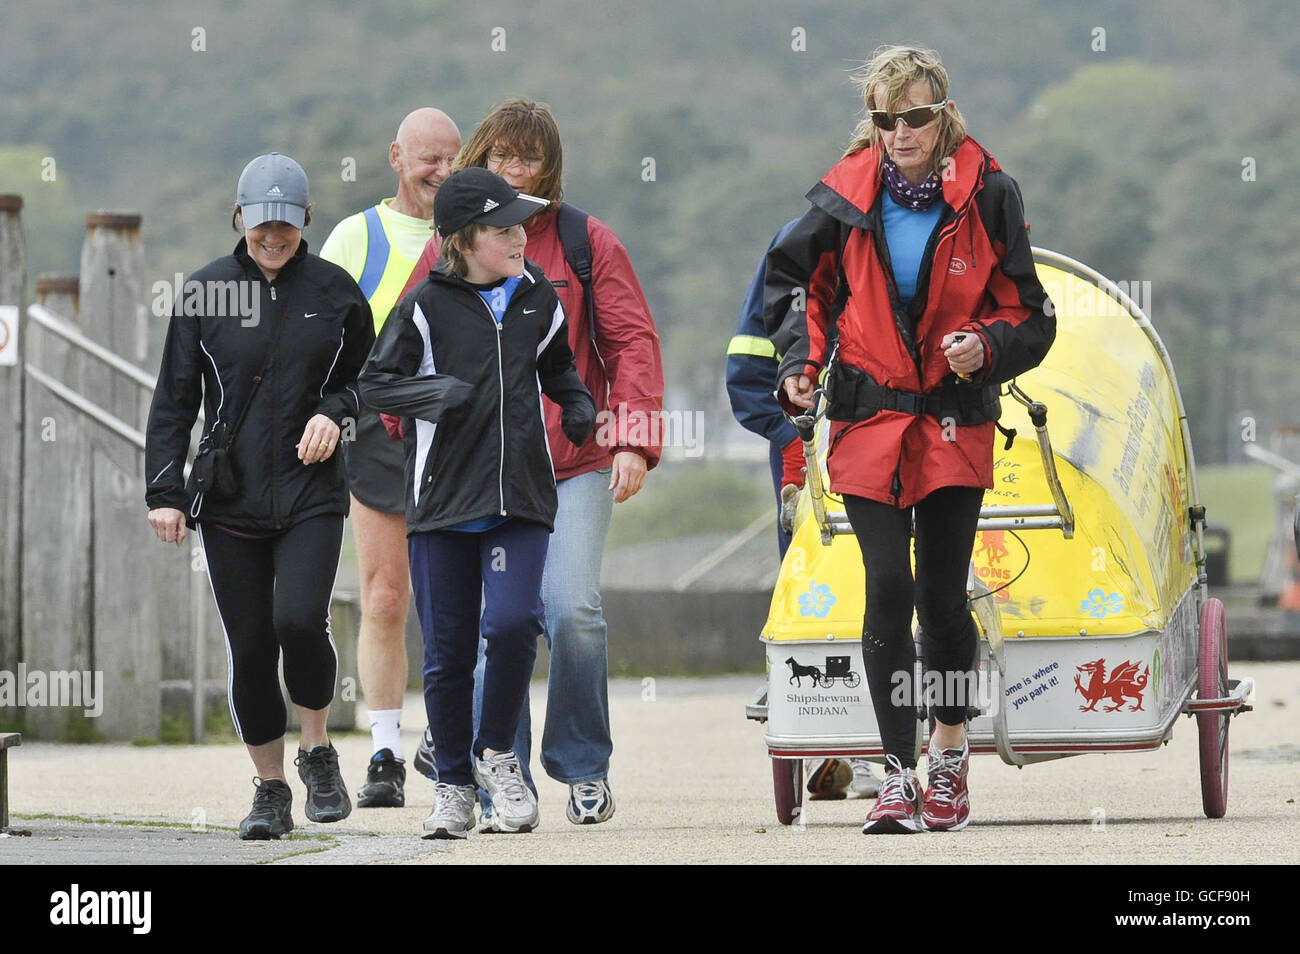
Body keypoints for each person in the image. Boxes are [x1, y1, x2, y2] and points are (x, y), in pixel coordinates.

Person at [765, 46, 1054, 833]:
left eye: (917, 117)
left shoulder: (990, 194)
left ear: (944, 112)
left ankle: (950, 752)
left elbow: (1033, 314)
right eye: (887, 120)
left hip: (954, 420)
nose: (902, 133)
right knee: (887, 587)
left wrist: (987, 347)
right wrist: (800, 365)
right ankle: (897, 775)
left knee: (941, 598)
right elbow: (797, 291)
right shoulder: (841, 197)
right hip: (868, 422)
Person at [401, 99, 664, 827]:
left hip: (573, 463)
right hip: (478, 475)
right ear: (481, 159)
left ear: (551, 167)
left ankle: (583, 766)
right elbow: (407, 344)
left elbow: (632, 342)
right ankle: (496, 769)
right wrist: (397, 435)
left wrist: (635, 438)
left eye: (532, 159)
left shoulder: (587, 241)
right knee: (499, 626)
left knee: (574, 610)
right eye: (505, 157)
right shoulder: (451, 243)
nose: (519, 170)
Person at [359, 168, 596, 838]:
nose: (521, 236)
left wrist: (576, 405)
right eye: (503, 228)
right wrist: (438, 396)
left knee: (517, 621)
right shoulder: (425, 308)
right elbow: (376, 385)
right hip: (441, 505)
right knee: (448, 653)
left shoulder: (536, 296)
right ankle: (455, 787)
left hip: (521, 495)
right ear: (463, 240)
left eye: (522, 223)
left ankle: (497, 756)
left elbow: (557, 366)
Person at [145, 153, 375, 839]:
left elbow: (370, 381)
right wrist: (165, 490)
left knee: (300, 621)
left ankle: (317, 749)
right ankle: (270, 790)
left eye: (284, 221)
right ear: (238, 217)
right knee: (249, 644)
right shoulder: (206, 292)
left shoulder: (336, 293)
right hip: (231, 497)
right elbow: (174, 401)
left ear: (305, 218)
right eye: (259, 221)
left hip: (311, 491)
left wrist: (336, 413)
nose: (272, 234)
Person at [318, 108, 462, 808]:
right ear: (396, 157)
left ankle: (451, 739)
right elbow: (322, 340)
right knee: (383, 598)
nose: (439, 171)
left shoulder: (473, 231)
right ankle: (383, 752)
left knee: (457, 601)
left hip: (457, 433)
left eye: (451, 159)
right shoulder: (357, 236)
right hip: (377, 436)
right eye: (426, 159)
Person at [727, 221, 881, 801]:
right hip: (808, 451)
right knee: (817, 594)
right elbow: (745, 367)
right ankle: (834, 745)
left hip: (906, 446)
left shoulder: (936, 234)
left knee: (896, 588)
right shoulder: (798, 241)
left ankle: (886, 750)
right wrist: (793, 436)